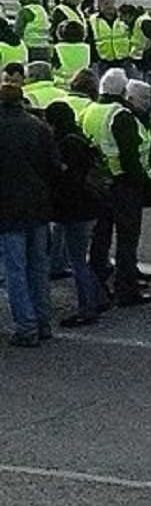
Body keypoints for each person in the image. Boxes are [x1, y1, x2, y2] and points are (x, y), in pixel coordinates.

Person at [82, 69, 151, 307]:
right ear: (123, 92)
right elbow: (129, 155)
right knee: (126, 241)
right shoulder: (120, 115)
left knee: (100, 240)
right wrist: (143, 181)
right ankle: (126, 289)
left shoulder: (89, 110)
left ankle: (96, 287)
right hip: (123, 185)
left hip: (97, 183)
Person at [0, 74, 56, 346]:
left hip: (8, 208)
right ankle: (43, 321)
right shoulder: (38, 127)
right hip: (38, 205)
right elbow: (52, 167)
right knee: (38, 267)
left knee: (15, 270)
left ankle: (26, 326)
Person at [43, 100, 106, 326]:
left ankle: (87, 307)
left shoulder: (63, 144)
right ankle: (98, 297)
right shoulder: (78, 137)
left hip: (74, 209)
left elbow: (66, 181)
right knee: (80, 257)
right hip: (89, 205)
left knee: (77, 260)